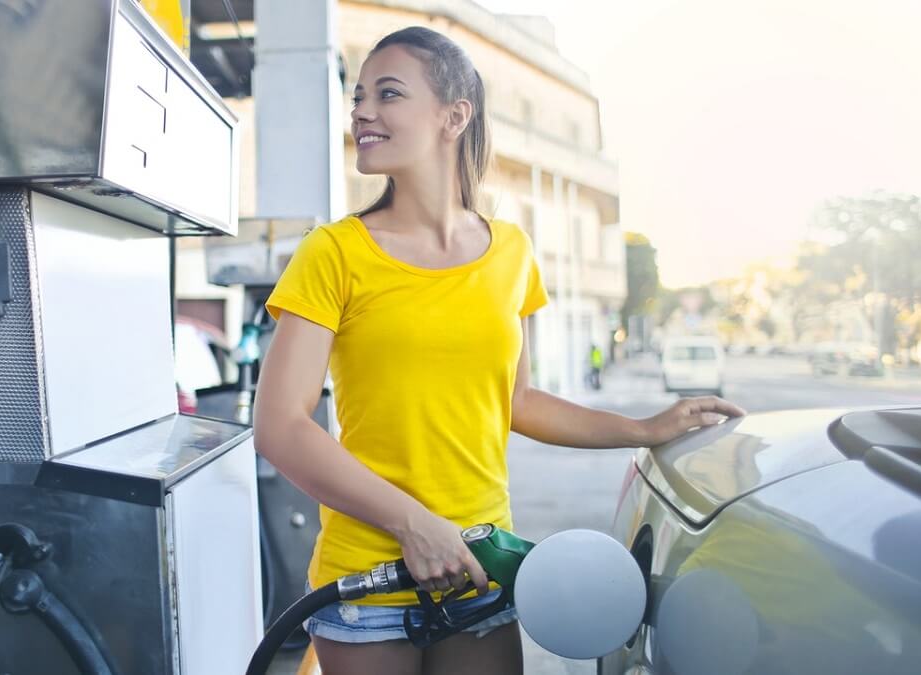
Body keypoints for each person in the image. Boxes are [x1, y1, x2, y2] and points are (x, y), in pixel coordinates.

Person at [253, 26, 745, 675]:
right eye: (360, 95)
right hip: (366, 580)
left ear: (454, 116)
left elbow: (517, 400)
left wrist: (644, 427)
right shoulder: (335, 252)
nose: (362, 110)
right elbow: (281, 425)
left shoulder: (511, 253)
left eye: (388, 93)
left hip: (480, 571)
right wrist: (412, 522)